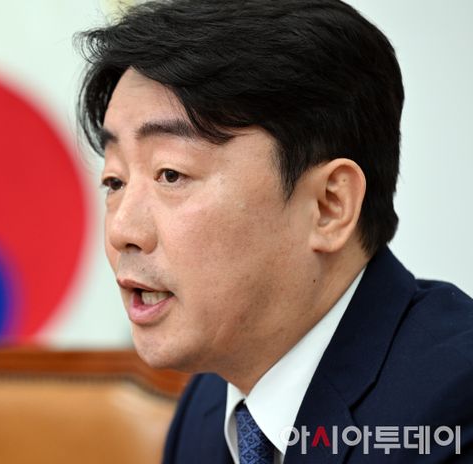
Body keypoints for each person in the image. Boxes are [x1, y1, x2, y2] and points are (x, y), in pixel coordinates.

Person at [76, 0, 473, 462]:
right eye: (115, 181)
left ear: (329, 205)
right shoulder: (207, 407)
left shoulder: (456, 406)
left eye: (171, 174)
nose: (122, 229)